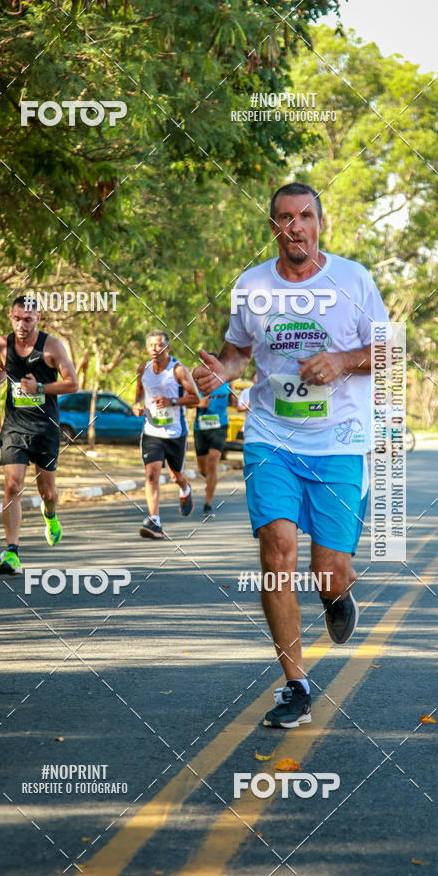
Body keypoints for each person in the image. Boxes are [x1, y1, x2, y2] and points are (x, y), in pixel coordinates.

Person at [194, 181, 389, 729]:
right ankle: (296, 685)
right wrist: (221, 372)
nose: (295, 226)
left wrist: (344, 360)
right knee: (277, 550)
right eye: (284, 218)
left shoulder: (353, 280)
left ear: (319, 223)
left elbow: (389, 353)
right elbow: (237, 354)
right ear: (273, 226)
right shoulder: (252, 285)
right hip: (271, 438)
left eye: (305, 216)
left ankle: (336, 595)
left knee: (328, 572)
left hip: (340, 444)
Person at [0, 295, 79, 574]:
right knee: (13, 485)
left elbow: (72, 384)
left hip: (45, 428)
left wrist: (39, 388)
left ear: (38, 319)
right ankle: (12, 552)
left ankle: (50, 514)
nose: (22, 324)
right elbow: (3, 368)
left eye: (28, 319)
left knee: (47, 492)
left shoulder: (52, 347)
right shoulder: (2, 344)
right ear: (10, 316)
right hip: (15, 426)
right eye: (17, 318)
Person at [133, 330, 200, 538]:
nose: (155, 349)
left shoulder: (178, 370)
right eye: (151, 345)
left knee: (174, 475)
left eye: (159, 345)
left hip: (175, 433)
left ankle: (185, 488)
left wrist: (172, 401)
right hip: (152, 431)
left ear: (167, 348)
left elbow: (195, 398)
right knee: (151, 474)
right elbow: (139, 392)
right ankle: (155, 522)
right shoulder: (143, 368)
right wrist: (137, 405)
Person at [193, 370, 237, 516]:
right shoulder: (199, 382)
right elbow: (188, 402)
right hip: (201, 427)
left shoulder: (226, 382)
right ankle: (210, 482)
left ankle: (208, 504)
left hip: (220, 426)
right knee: (202, 469)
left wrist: (234, 392)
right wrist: (199, 403)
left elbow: (235, 403)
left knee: (213, 463)